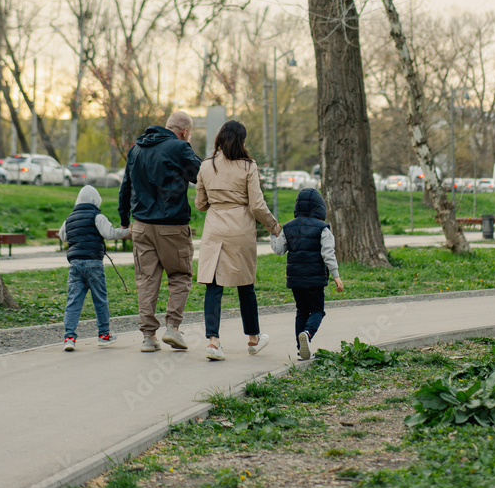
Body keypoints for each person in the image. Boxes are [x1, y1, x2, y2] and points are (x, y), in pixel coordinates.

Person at [195, 120, 281, 361]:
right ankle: (253, 339)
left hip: (214, 229)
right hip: (241, 229)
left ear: (220, 139)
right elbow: (256, 204)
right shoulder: (248, 166)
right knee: (246, 285)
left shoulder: (206, 166)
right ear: (241, 141)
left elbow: (200, 205)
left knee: (213, 286)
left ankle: (213, 342)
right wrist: (273, 226)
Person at [119, 110, 201, 352]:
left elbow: (126, 185)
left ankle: (148, 336)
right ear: (185, 132)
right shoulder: (179, 148)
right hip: (172, 225)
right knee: (180, 275)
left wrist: (125, 219)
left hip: (142, 225)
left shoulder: (136, 149)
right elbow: (201, 176)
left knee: (146, 280)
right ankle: (173, 327)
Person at [270, 187, 343, 361]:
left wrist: (274, 235)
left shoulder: (288, 227)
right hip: (315, 279)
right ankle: (308, 334)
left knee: (301, 311)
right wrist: (336, 276)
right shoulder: (323, 228)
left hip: (295, 279)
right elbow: (328, 254)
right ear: (320, 207)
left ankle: (300, 349)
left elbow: (279, 250)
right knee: (317, 311)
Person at [59, 184, 132, 352]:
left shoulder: (69, 218)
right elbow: (109, 234)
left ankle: (69, 338)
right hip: (93, 263)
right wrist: (126, 231)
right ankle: (104, 336)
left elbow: (63, 236)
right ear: (95, 200)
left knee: (73, 301)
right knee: (100, 300)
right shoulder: (97, 216)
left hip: (75, 264)